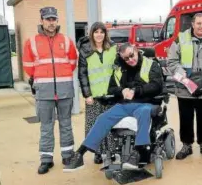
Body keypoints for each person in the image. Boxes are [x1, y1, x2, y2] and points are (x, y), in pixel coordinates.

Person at [63, 43, 164, 171]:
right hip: (125, 105)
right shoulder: (119, 70)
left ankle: (139, 152)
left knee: (143, 113)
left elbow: (157, 86)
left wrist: (135, 91)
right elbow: (111, 88)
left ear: (136, 50)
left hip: (146, 103)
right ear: (122, 58)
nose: (130, 60)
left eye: (131, 55)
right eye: (126, 58)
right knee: (103, 118)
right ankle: (80, 154)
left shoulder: (151, 64)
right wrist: (121, 91)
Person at [22, 7, 78, 174]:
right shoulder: (31, 42)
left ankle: (67, 155)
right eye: (48, 19)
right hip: (44, 91)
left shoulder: (67, 41)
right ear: (42, 21)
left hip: (65, 90)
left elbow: (73, 62)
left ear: (57, 20)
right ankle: (46, 159)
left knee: (66, 124)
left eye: (54, 19)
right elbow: (28, 66)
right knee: (46, 126)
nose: (51, 22)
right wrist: (42, 79)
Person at [167, 13, 202, 160]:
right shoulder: (180, 39)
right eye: (198, 23)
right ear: (192, 24)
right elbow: (172, 61)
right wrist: (182, 74)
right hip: (184, 86)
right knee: (185, 117)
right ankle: (186, 145)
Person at [77, 22, 117, 165]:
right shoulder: (85, 50)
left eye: (102, 32)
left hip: (110, 94)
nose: (99, 35)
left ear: (105, 34)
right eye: (96, 32)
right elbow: (82, 75)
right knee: (94, 125)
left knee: (111, 125)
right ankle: (98, 153)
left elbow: (118, 69)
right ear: (91, 34)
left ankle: (111, 151)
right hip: (94, 96)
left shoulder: (113, 48)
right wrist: (87, 95)